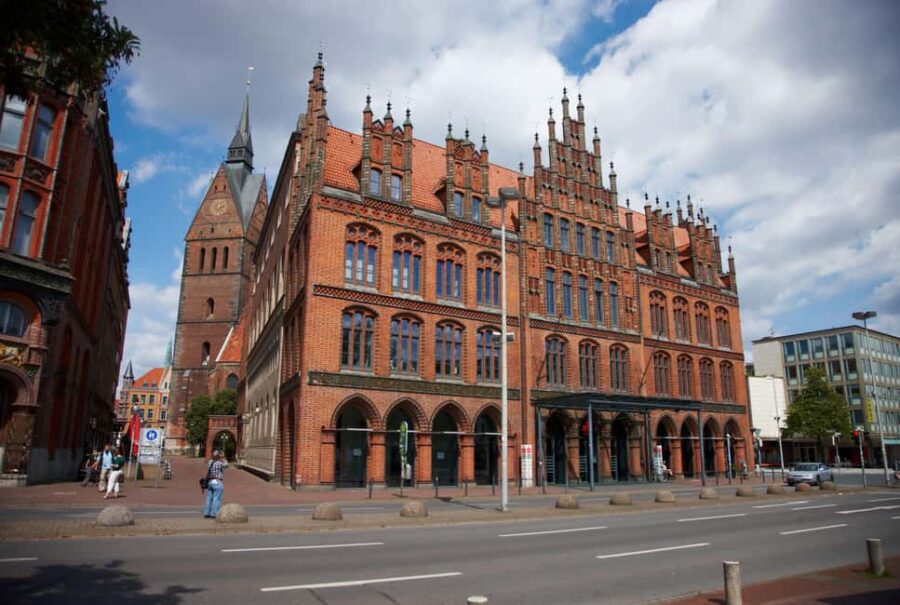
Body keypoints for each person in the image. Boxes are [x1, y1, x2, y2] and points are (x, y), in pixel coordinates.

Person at [203, 449, 228, 518]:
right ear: (218, 456)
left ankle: (206, 513)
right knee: (216, 498)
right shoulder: (219, 463)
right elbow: (226, 465)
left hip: (210, 482)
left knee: (209, 498)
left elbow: (209, 464)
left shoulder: (210, 462)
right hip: (217, 481)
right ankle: (214, 513)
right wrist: (223, 458)